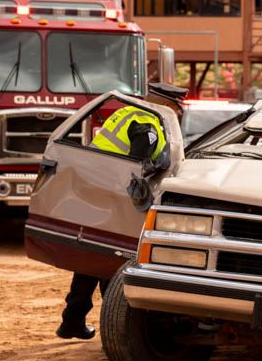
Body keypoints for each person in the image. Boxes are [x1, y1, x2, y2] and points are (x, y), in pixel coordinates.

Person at [56, 83, 187, 340]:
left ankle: (72, 321)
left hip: (98, 190)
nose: (179, 115)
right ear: (168, 106)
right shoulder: (147, 124)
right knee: (114, 261)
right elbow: (136, 168)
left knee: (93, 258)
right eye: (178, 109)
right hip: (117, 198)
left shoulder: (127, 113)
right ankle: (118, 329)